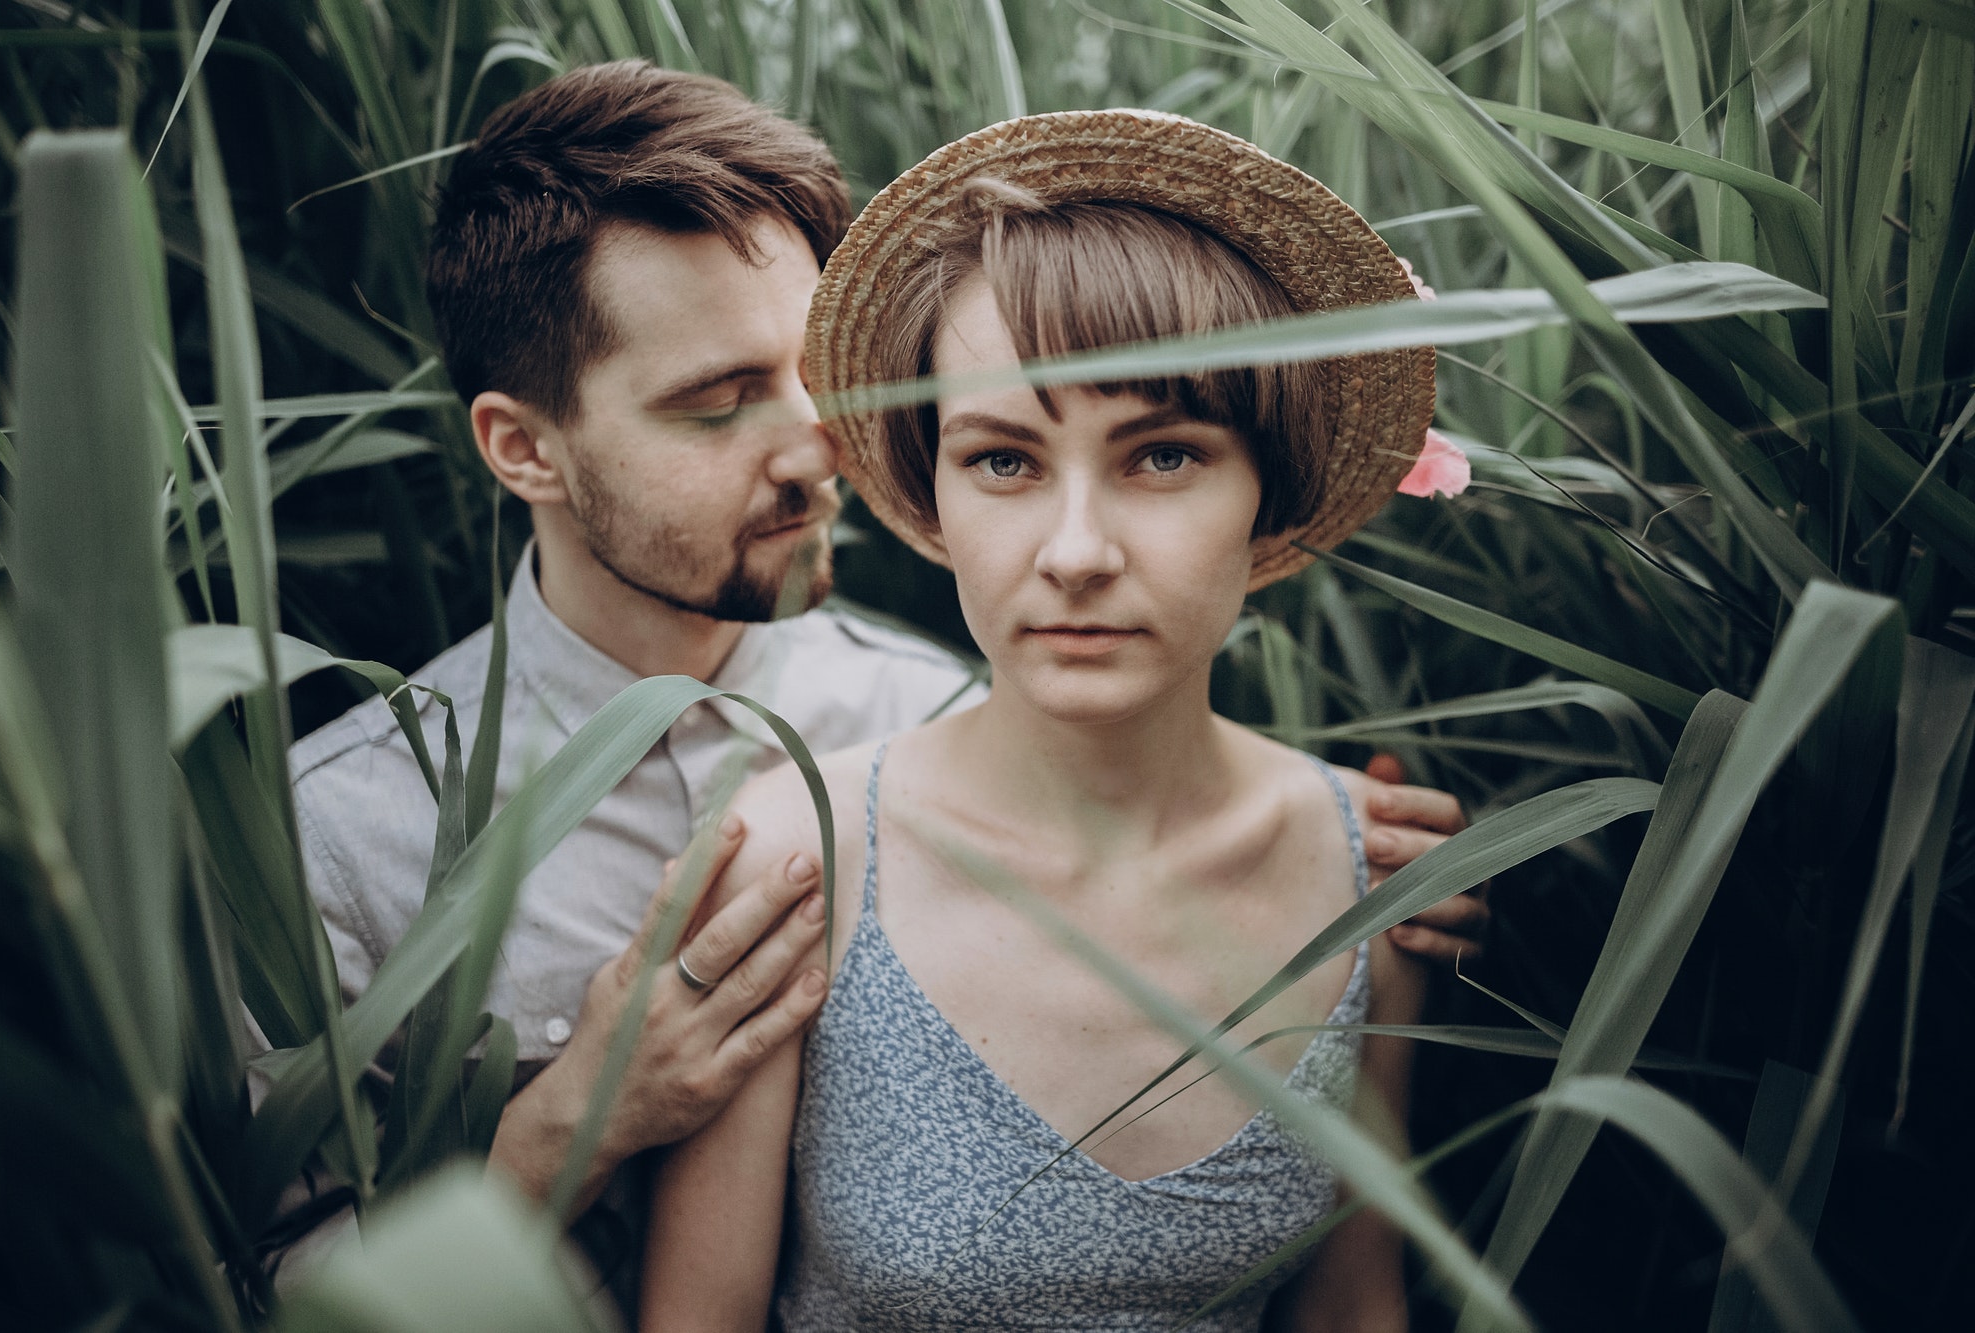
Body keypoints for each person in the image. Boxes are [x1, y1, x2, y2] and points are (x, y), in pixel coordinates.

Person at [283, 63, 1482, 1304]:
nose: (818, 449)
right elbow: (262, 1293)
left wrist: (1360, 865)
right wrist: (579, 1112)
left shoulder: (948, 696)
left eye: (814, 379)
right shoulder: (340, 838)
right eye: (718, 404)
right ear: (522, 447)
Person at [638, 110, 1445, 1331]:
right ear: (932, 494)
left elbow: (1353, 1309)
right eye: (1003, 461)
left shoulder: (1375, 874)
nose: (1074, 553)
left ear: (1268, 493)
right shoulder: (798, 856)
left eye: (1161, 456)